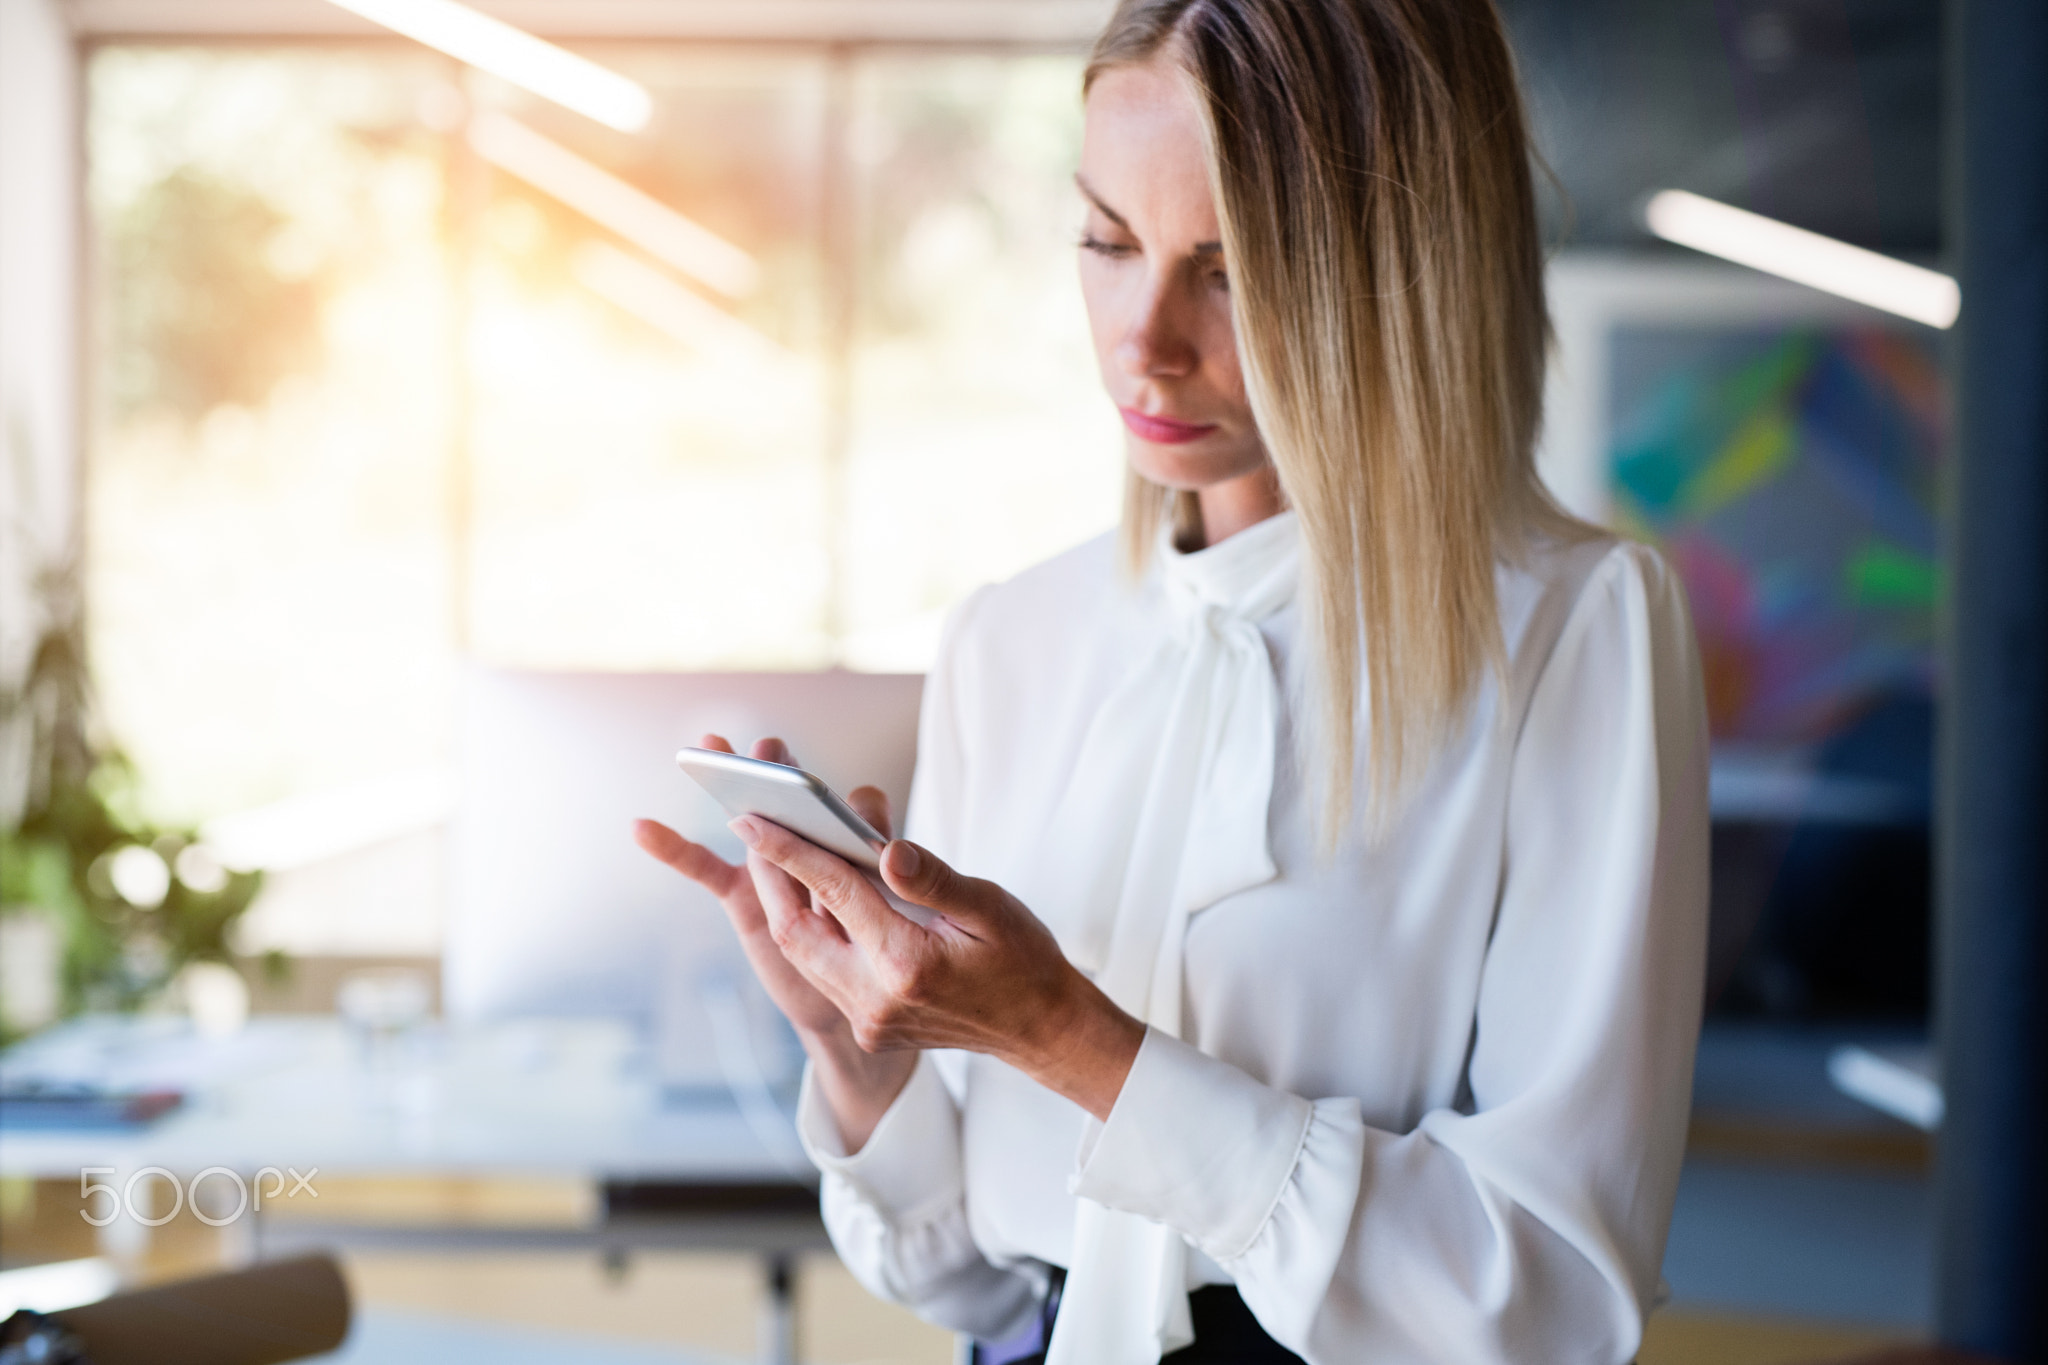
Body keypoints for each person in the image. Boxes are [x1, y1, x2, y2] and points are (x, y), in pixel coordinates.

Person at [634, 0, 1710, 1360]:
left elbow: (1551, 1300)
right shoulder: (1008, 640)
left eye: (1232, 267)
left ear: (1401, 271)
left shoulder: (1578, 629)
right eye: (1106, 239)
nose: (1142, 340)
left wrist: (1072, 1040)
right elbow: (976, 1278)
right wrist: (867, 1055)